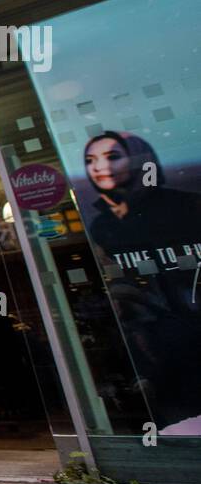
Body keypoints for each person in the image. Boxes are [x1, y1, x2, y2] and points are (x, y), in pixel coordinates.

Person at [83, 131, 201, 431]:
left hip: (184, 323)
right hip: (146, 338)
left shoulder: (182, 206)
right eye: (90, 160)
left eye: (113, 156)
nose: (99, 167)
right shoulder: (102, 223)